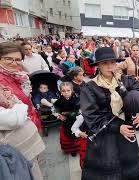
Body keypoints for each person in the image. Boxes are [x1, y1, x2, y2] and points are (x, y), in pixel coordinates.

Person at [80, 47, 139, 180]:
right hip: (104, 136)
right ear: (98, 65)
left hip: (126, 134)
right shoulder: (90, 87)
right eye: (104, 63)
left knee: (130, 170)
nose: (109, 67)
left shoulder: (125, 80)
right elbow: (91, 117)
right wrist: (117, 128)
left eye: (112, 62)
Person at [0, 42, 45, 180]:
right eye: (9, 59)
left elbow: (25, 102)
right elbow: (12, 114)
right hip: (15, 144)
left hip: (30, 130)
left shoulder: (18, 77)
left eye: (18, 59)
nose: (14, 63)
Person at [54, 82, 81, 157]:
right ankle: (73, 149)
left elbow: (81, 109)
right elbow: (54, 109)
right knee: (70, 135)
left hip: (77, 120)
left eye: (68, 90)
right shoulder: (59, 102)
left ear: (72, 90)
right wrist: (59, 115)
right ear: (61, 92)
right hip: (67, 122)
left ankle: (80, 147)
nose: (66, 93)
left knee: (78, 134)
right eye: (63, 91)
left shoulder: (77, 99)